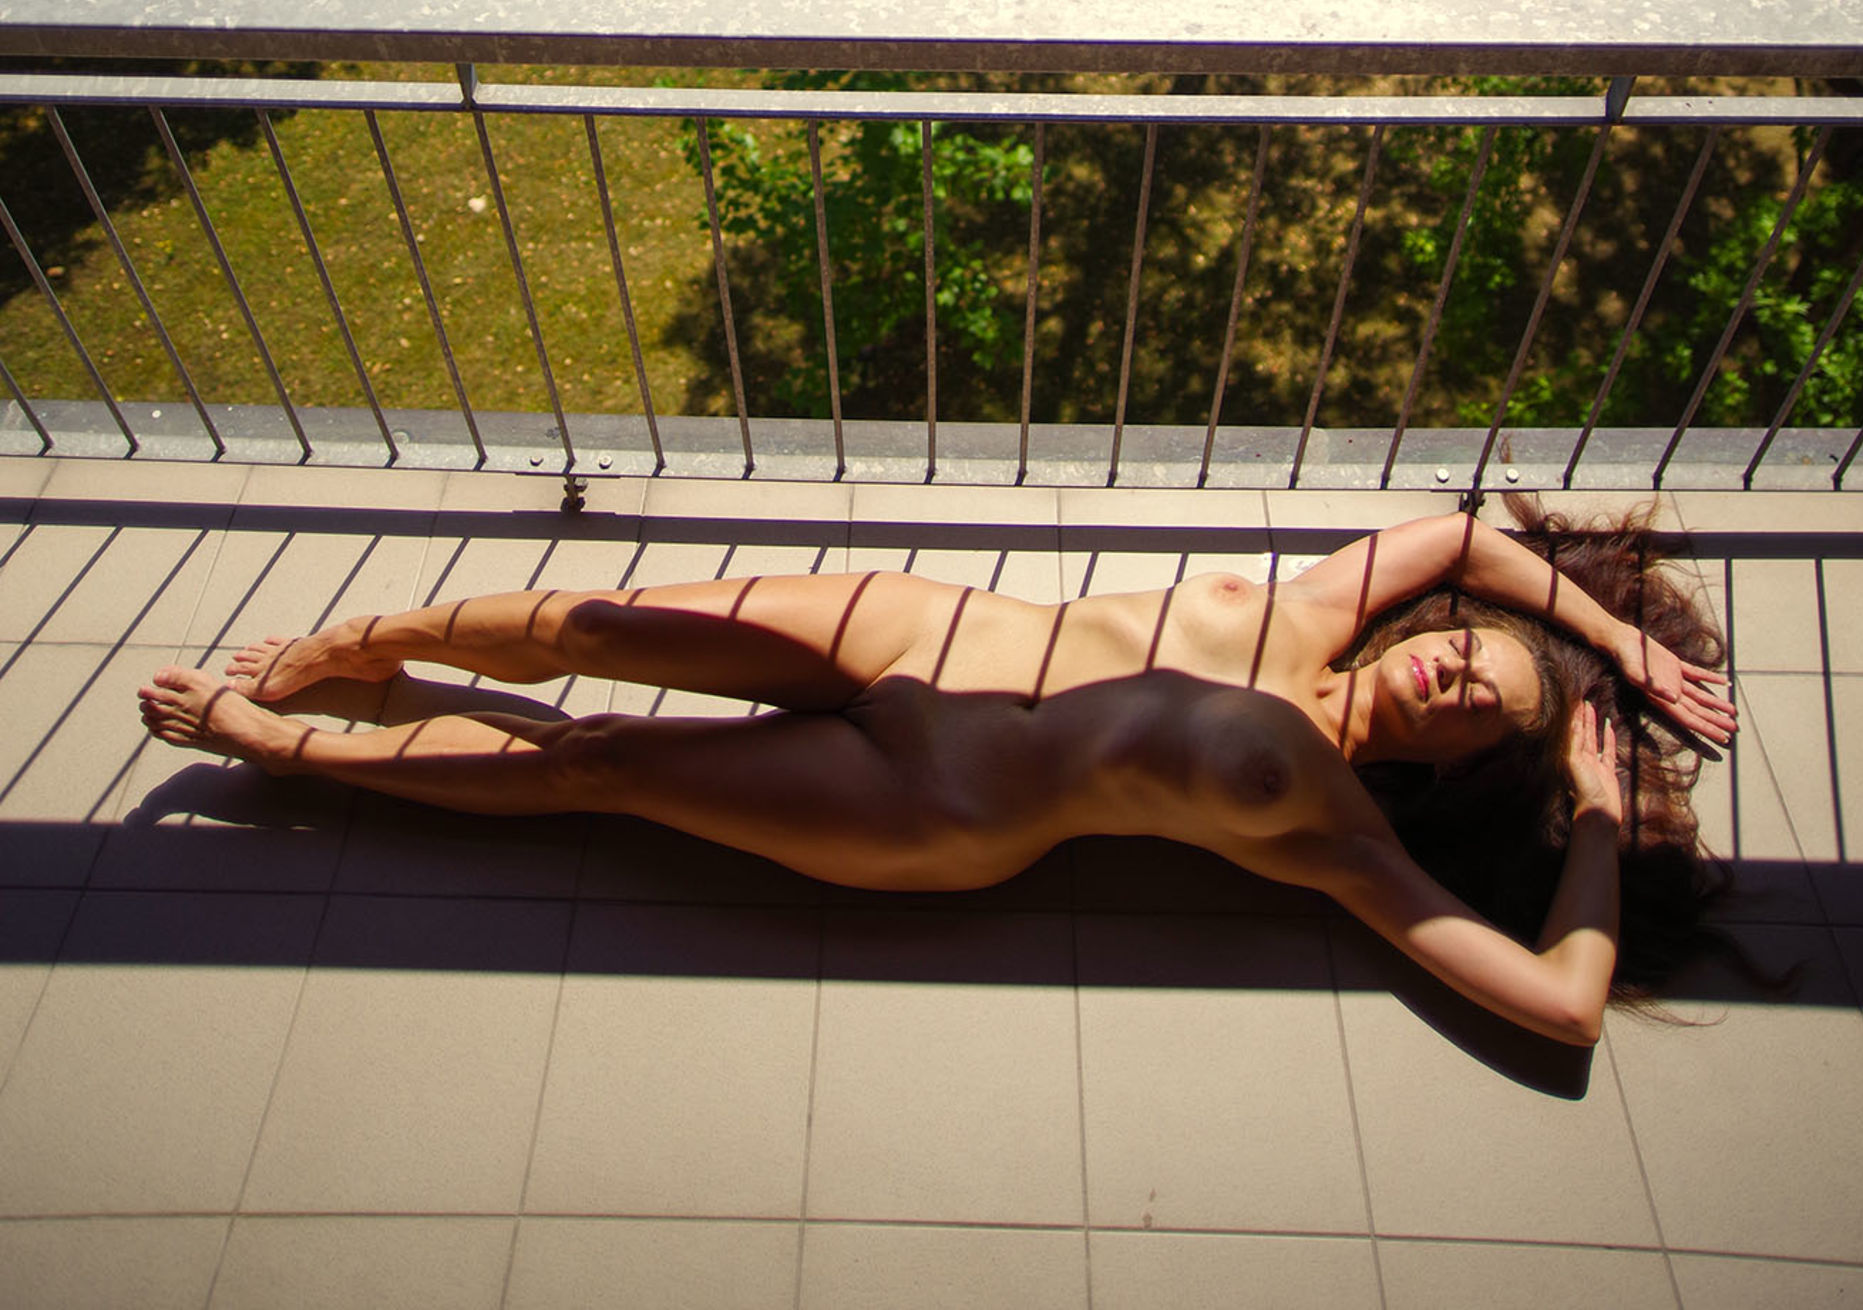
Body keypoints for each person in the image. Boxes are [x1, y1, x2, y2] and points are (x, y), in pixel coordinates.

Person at [138, 494, 1736, 1048]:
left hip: (941, 805)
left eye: (1473, 707)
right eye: (1468, 651)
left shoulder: (1330, 827)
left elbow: (1564, 1003)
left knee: (597, 764)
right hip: (925, 626)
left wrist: (1599, 817)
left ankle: (286, 745)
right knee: (591, 622)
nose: (1449, 672)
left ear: (1456, 766)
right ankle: (361, 633)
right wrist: (1608, 635)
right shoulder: (1322, 605)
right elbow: (1467, 533)